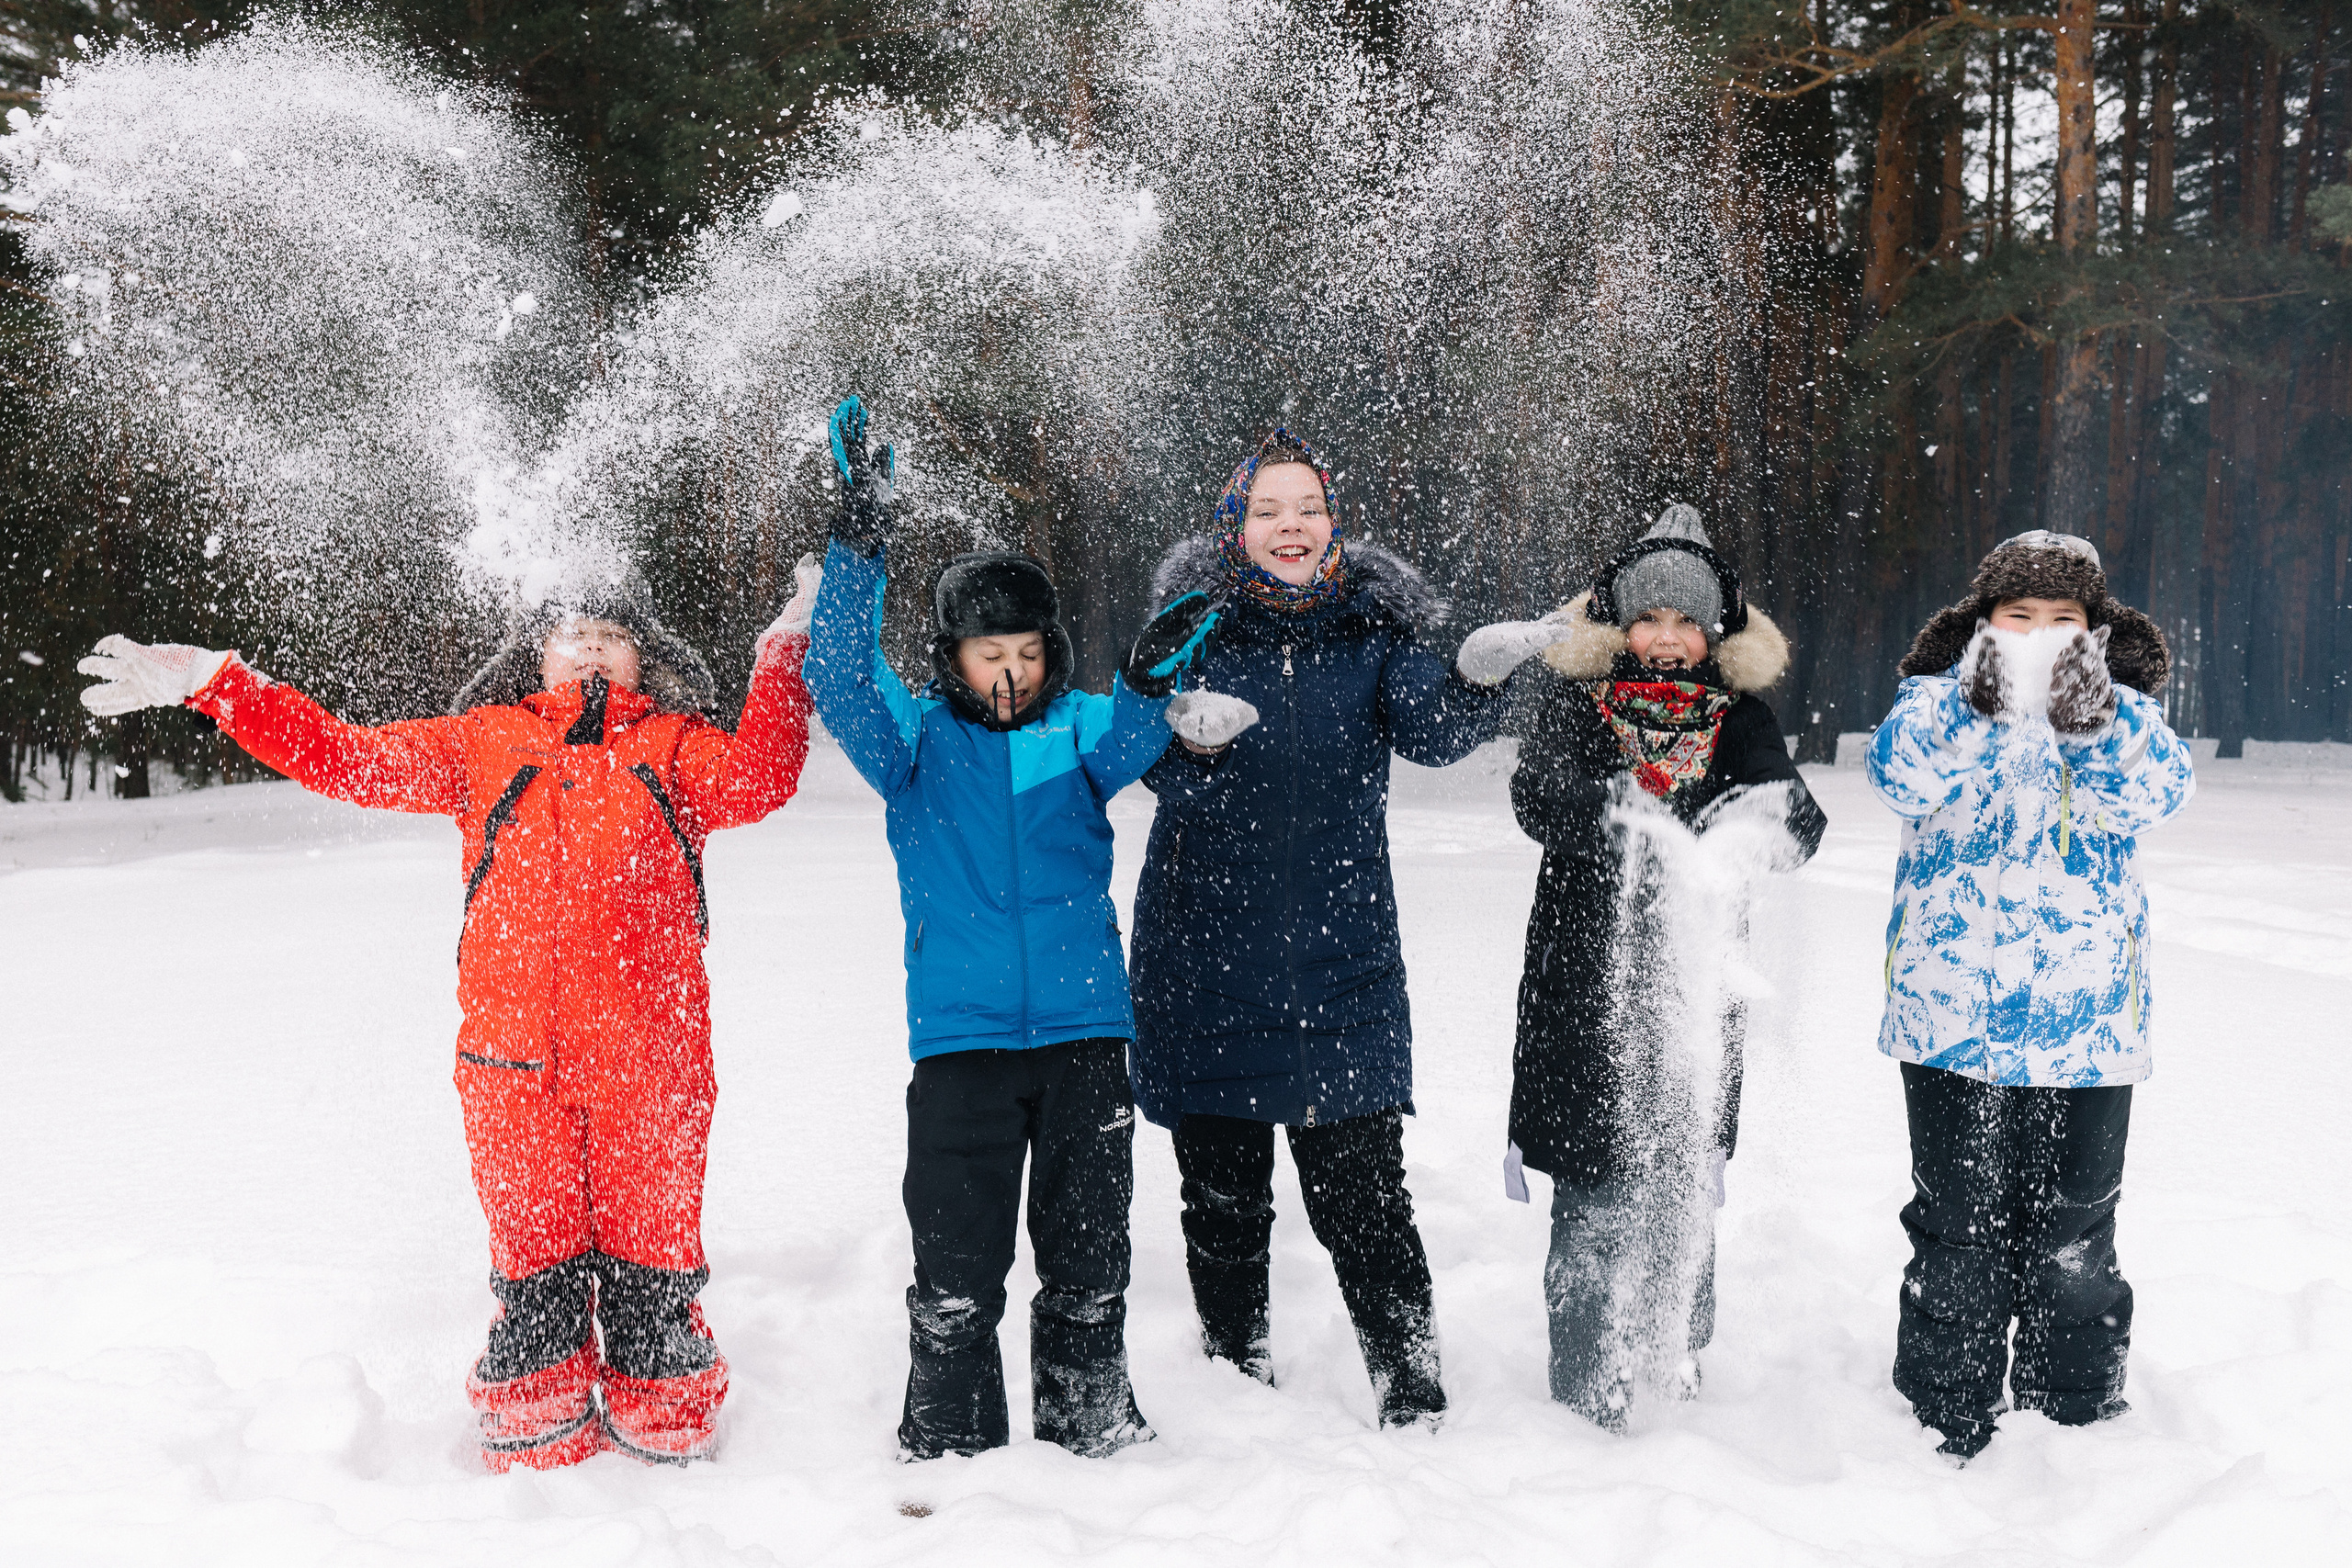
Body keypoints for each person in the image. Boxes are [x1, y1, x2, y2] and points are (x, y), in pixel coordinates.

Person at [75, 568, 818, 1470]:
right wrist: (217, 683)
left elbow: (762, 776)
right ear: (534, 656)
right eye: (571, 633)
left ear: (644, 659)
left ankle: (665, 1418)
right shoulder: (481, 742)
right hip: (512, 1072)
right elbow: (347, 758)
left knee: (651, 1273)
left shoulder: (677, 747)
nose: (590, 645)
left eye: (612, 635)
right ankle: (537, 1427)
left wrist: (786, 649)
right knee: (537, 1273)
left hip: (651, 1072)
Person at [1128, 426, 1577, 1428]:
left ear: (1334, 524)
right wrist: (1179, 742)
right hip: (1205, 957)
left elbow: (1432, 733)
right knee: (1223, 1201)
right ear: (1235, 526)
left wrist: (1476, 679)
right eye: (1267, 509)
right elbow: (1138, 762)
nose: (1289, 525)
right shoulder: (1191, 630)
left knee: (1366, 1198)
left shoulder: (1372, 631)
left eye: (1308, 508)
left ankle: (1412, 1391)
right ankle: (1235, 1376)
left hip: (1343, 963)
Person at [801, 397, 1221, 1461]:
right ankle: (951, 1443)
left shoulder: (1079, 733)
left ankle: (1092, 1427)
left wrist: (1149, 680)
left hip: (1085, 1040)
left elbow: (1136, 735)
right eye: (989, 654)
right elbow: (837, 677)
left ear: (1051, 653)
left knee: (1088, 1261)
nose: (1009, 674)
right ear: (952, 657)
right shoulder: (913, 747)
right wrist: (858, 542)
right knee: (956, 1270)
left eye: (1027, 653)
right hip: (962, 1047)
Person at [1868, 528, 2193, 1463]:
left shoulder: (2127, 711)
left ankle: (2073, 1415)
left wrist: (2098, 724)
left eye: (2062, 618)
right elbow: (1897, 774)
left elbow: (2161, 793)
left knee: (2074, 1235)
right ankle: (1944, 1411)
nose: (2041, 634)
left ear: (2093, 630)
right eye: (2021, 615)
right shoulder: (1931, 700)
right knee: (1956, 1229)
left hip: (2085, 1029)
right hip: (1950, 1023)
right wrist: (1972, 710)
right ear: (1985, 622)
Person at [1503, 503, 1826, 1430]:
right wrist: (1615, 812)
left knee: (1679, 1175)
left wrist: (1754, 821)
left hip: (1692, 992)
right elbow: (1537, 796)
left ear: (1715, 631)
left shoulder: (1739, 719)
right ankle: (1584, 1383)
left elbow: (1795, 814)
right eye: (1650, 617)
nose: (1669, 636)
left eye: (1688, 619)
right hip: (1580, 988)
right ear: (1619, 624)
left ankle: (1674, 1361)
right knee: (1590, 1186)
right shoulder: (1578, 705)